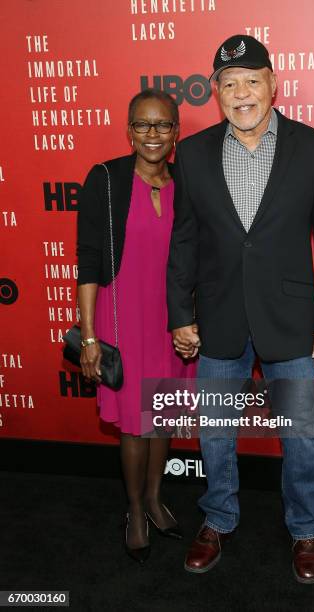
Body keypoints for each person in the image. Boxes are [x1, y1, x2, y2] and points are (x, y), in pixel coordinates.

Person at [167, 35, 314, 582]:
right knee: (217, 431)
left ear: (273, 84)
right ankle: (218, 517)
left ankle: (307, 527)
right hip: (217, 315)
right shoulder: (194, 153)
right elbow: (184, 243)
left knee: (300, 433)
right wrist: (181, 312)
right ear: (215, 93)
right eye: (228, 83)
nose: (240, 92)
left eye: (251, 79)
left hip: (290, 318)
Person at [77, 88, 194, 564]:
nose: (152, 134)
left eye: (162, 125)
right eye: (143, 125)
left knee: (161, 414)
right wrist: (88, 337)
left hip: (171, 320)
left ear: (176, 133)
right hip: (121, 317)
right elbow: (87, 262)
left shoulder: (186, 181)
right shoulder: (105, 179)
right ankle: (134, 511)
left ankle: (154, 497)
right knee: (132, 423)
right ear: (128, 131)